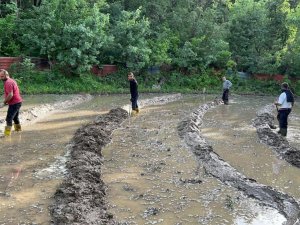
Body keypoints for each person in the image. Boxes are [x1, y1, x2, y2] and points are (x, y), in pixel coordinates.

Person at [0, 69, 23, 136]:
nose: (1, 78)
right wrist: (7, 101)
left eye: (2, 76)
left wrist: (4, 103)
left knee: (8, 118)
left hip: (15, 103)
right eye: (0, 76)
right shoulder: (11, 80)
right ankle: (18, 130)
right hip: (18, 102)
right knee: (15, 117)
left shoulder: (8, 82)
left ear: (7, 75)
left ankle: (7, 134)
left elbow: (10, 94)